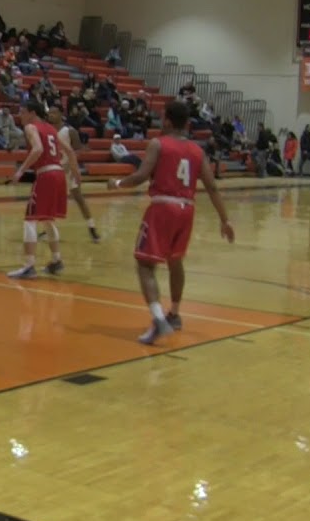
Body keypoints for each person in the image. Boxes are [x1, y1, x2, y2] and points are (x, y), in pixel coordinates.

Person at [109, 100, 235, 345]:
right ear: (186, 123)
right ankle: (174, 314)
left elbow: (141, 176)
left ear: (167, 120)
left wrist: (117, 183)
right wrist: (225, 219)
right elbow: (211, 186)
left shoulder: (158, 144)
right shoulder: (197, 150)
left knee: (145, 265)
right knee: (175, 260)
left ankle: (158, 319)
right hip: (187, 209)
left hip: (163, 207)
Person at [8, 100, 74, 278]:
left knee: (30, 219)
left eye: (23, 112)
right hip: (59, 173)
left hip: (46, 174)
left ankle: (29, 266)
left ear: (32, 113)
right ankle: (56, 261)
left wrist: (20, 171)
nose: (20, 116)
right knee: (48, 219)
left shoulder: (31, 127)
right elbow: (69, 150)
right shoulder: (51, 129)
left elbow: (37, 149)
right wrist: (75, 172)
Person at [48, 107, 101, 241]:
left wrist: (70, 164)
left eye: (54, 113)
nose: (51, 115)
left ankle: (92, 227)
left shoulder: (70, 131)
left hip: (68, 170)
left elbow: (79, 150)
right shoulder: (48, 130)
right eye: (49, 113)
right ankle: (48, 229)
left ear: (61, 114)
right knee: (50, 201)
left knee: (79, 199)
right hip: (53, 170)